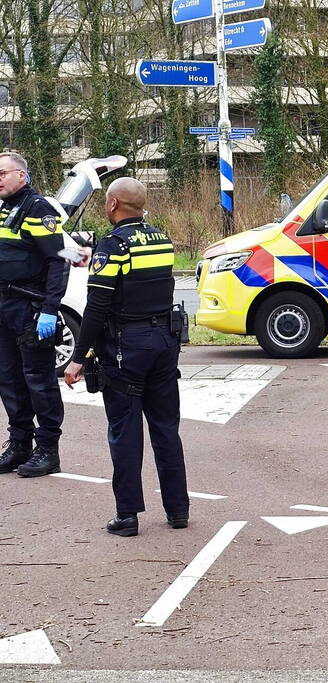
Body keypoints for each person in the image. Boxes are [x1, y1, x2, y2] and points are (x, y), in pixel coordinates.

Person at [64, 178, 188, 537]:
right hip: (165, 342)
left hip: (126, 348)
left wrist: (77, 357)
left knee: (125, 432)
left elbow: (97, 306)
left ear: (114, 203)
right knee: (166, 428)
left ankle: (127, 515)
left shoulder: (113, 245)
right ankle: (178, 509)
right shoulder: (161, 239)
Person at [0, 152, 69, 478]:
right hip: (3, 307)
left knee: (39, 381)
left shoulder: (38, 210)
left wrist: (50, 309)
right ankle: (19, 444)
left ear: (22, 176)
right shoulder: (3, 209)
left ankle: (47, 450)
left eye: (2, 173)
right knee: (9, 379)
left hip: (29, 307)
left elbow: (59, 261)